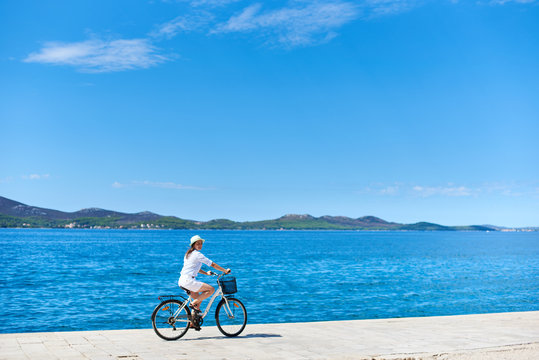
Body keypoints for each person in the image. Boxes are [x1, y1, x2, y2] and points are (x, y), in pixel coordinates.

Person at [178, 235, 230, 311]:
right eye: (197, 244)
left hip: (182, 280)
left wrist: (206, 273)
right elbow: (213, 264)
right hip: (189, 281)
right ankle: (192, 303)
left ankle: (192, 322)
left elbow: (196, 268)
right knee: (211, 289)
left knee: (198, 303)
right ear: (193, 245)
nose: (200, 245)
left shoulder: (188, 254)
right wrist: (224, 270)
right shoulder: (197, 254)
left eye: (201, 243)